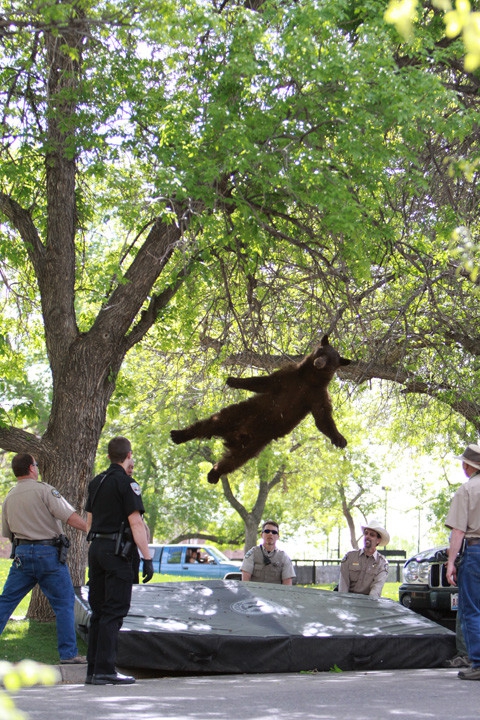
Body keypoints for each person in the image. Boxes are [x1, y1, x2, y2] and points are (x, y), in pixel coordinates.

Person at [0, 453, 87, 664]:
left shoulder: (9, 497)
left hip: (21, 555)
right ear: (31, 468)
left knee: (6, 602)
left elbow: (6, 532)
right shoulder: (44, 490)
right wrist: (89, 529)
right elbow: (68, 516)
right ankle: (68, 654)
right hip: (48, 554)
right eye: (36, 465)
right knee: (64, 604)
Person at [85, 436, 154, 686]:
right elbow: (135, 522)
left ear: (108, 456)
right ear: (129, 455)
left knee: (98, 611)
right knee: (114, 611)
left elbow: (89, 524)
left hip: (97, 550)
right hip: (118, 552)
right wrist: (147, 557)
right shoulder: (127, 484)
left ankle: (93, 670)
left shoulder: (96, 482)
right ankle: (106, 670)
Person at [445, 443, 480, 681]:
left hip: (476, 553)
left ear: (468, 466)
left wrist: (451, 563)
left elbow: (458, 531)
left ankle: (477, 662)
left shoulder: (467, 490)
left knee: (472, 610)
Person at [338, 520, 390, 598]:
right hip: (348, 601)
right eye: (366, 533)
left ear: (378, 540)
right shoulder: (349, 557)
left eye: (372, 535)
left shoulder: (382, 564)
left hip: (367, 604)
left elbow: (376, 591)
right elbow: (343, 586)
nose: (367, 536)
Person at [241, 520, 296, 584]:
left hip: (275, 593)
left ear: (278, 536)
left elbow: (287, 585)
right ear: (261, 535)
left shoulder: (284, 557)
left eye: (274, 532)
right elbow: (245, 581)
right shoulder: (252, 553)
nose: (270, 534)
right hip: (254, 593)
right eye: (267, 531)